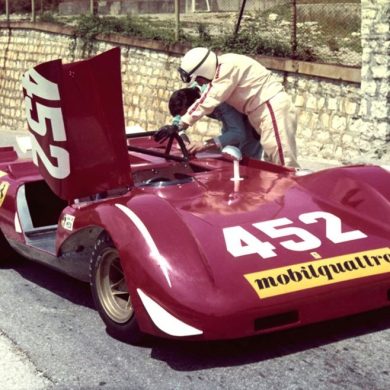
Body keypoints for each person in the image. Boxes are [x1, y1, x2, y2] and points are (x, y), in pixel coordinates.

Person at [155, 47, 299, 167]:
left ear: (204, 70)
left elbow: (209, 98)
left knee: (284, 163)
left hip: (271, 108)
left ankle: (295, 199)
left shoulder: (226, 69)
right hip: (262, 112)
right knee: (272, 167)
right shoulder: (220, 68)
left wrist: (184, 127)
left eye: (199, 78)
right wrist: (176, 125)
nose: (200, 83)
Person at [168, 87, 262, 159]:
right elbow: (178, 120)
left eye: (189, 115)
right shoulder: (188, 94)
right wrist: (183, 138)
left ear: (195, 105)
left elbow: (238, 133)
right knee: (227, 154)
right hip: (231, 122)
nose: (188, 119)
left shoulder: (220, 101)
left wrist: (205, 144)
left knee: (245, 159)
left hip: (251, 122)